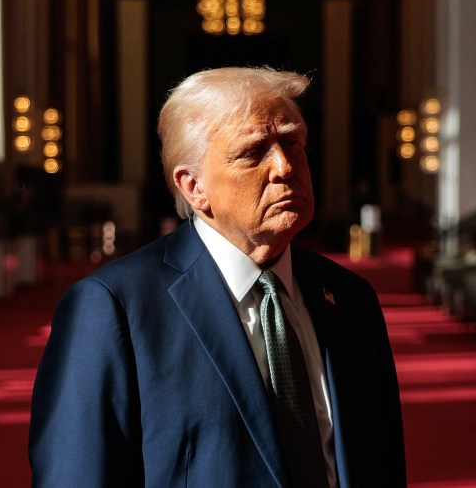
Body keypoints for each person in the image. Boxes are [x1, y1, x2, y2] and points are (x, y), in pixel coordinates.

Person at [29, 67, 406, 487]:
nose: (284, 166)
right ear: (194, 187)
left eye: (292, 143)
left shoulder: (351, 298)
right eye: (253, 152)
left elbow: (382, 460)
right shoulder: (114, 307)